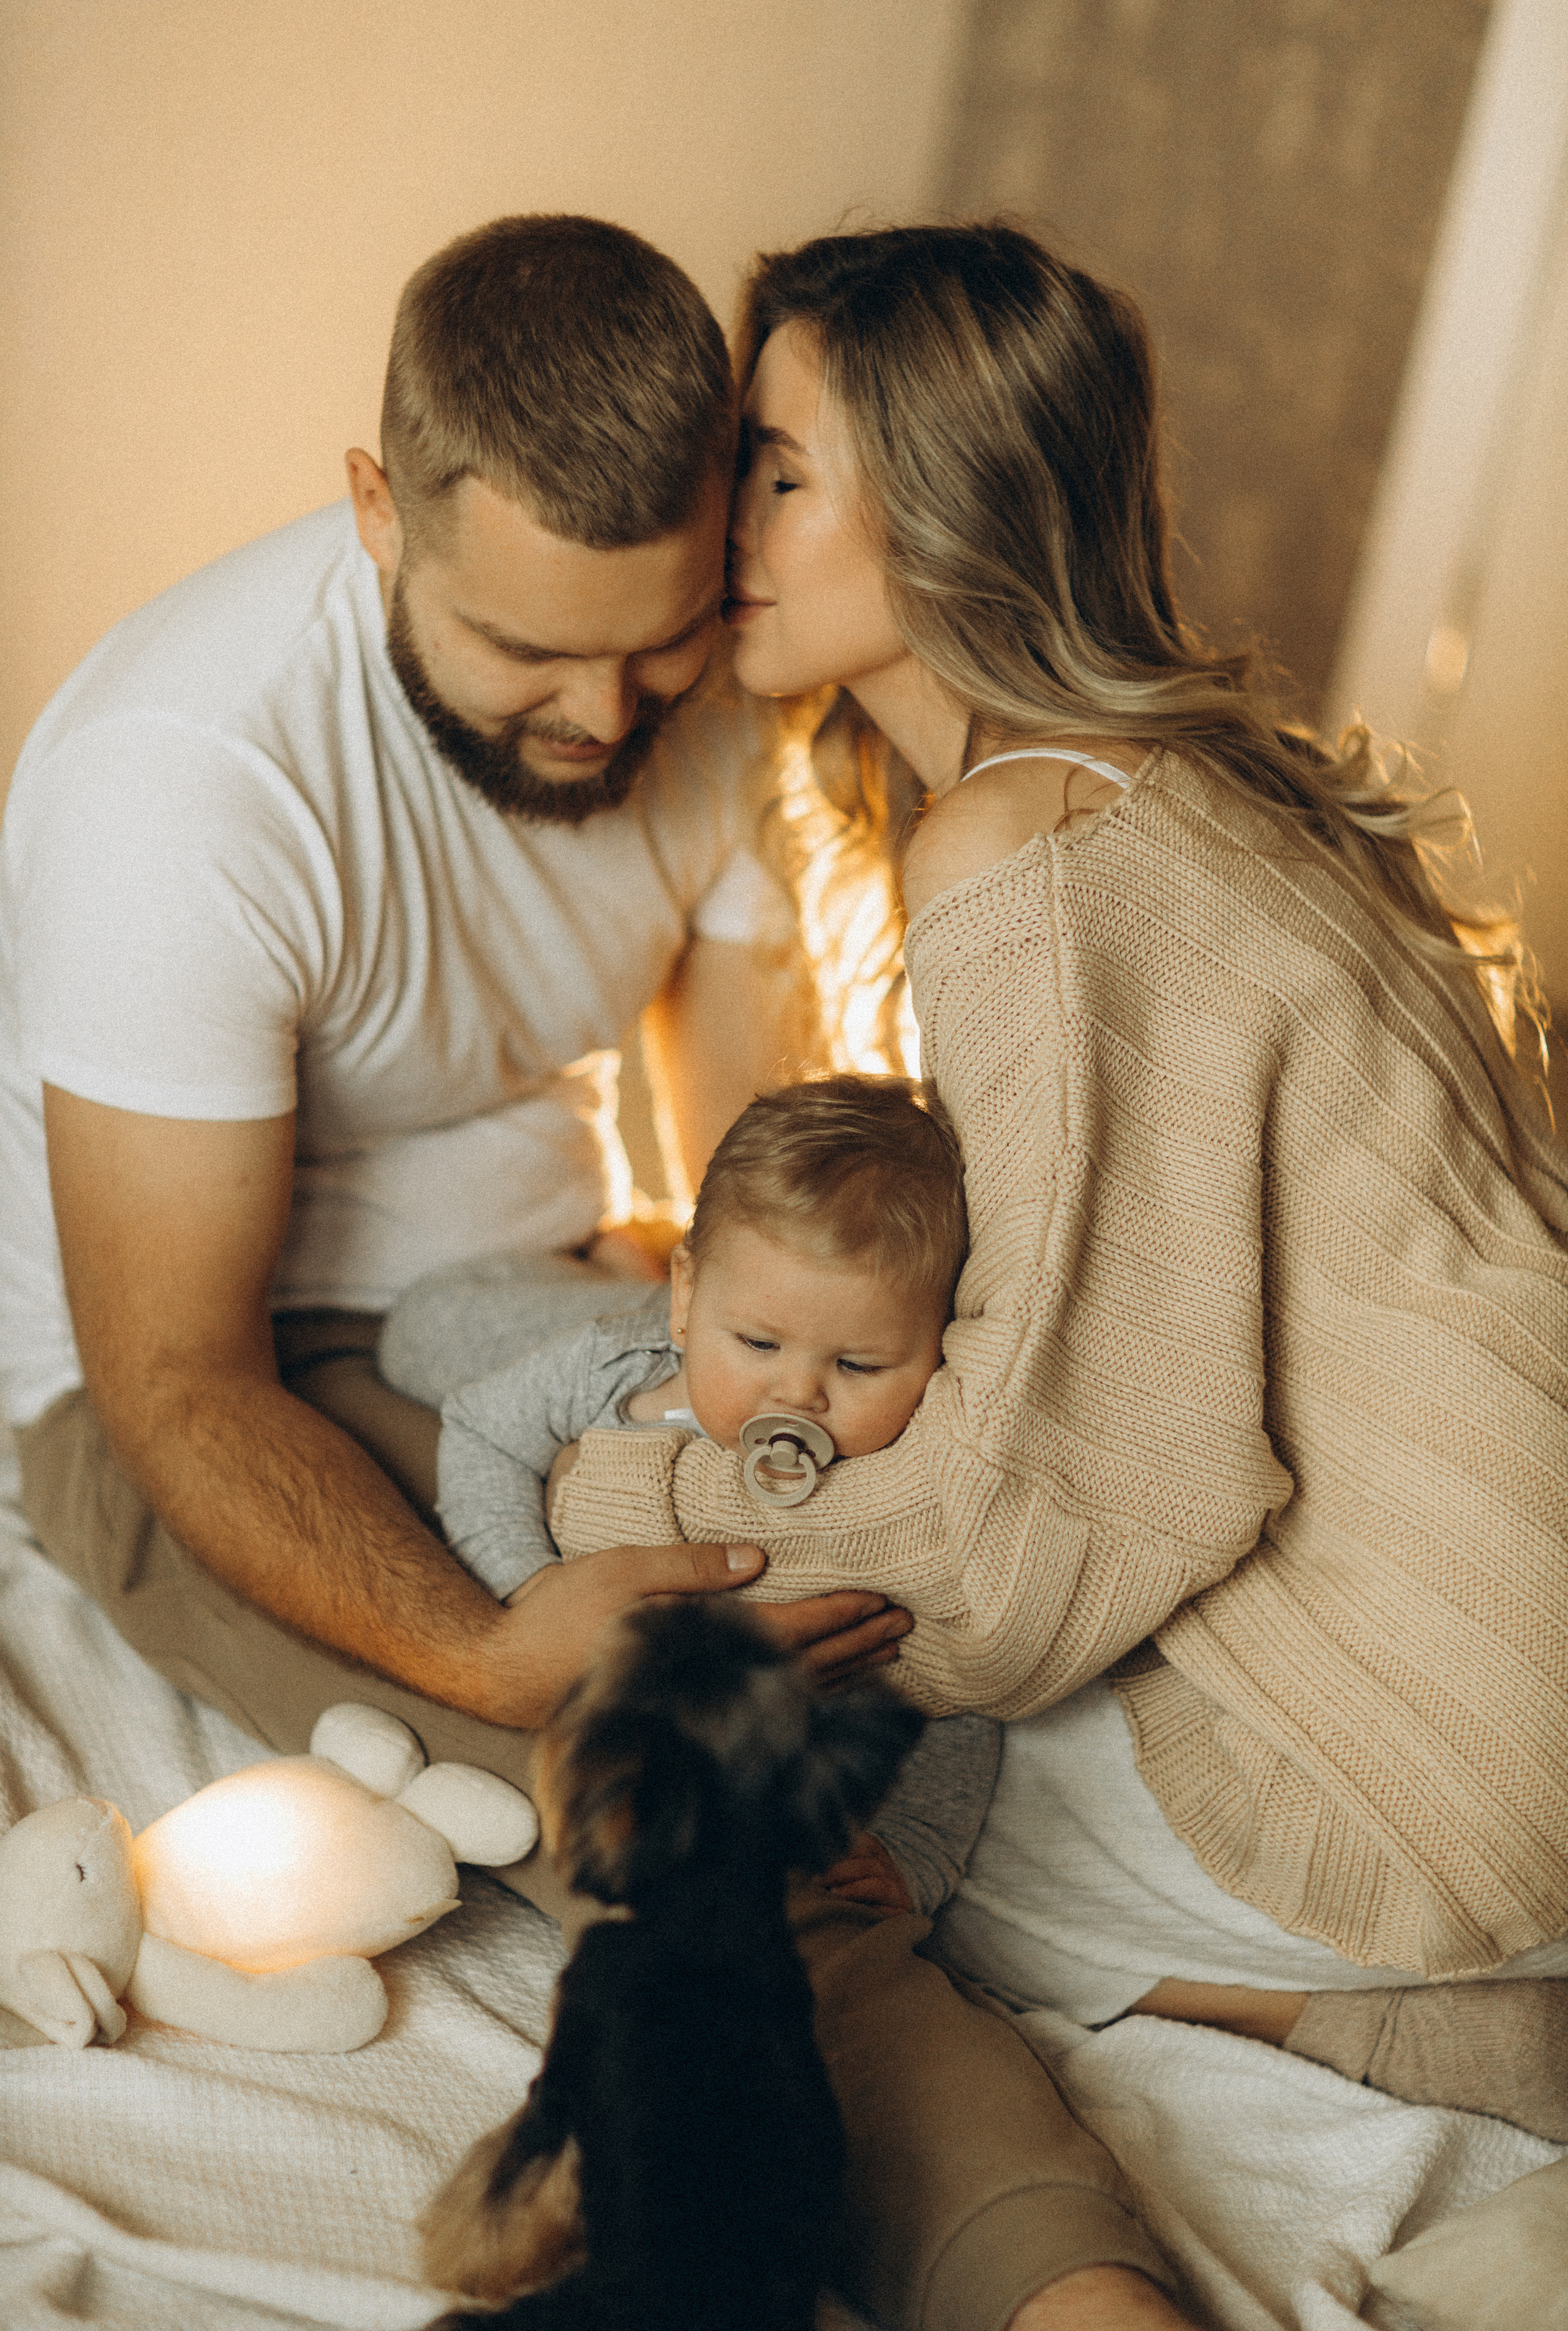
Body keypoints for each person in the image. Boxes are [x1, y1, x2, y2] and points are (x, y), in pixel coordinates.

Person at [1, 214, 1184, 2331]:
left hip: (556, 1304)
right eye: (526, 656)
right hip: (191, 1384)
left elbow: (738, 1145)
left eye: (651, 651)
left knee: (913, 1657)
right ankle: (1065, 2294)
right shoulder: (180, 793)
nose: (602, 714)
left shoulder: (703, 687)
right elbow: (175, 1380)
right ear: (380, 507)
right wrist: (483, 1651)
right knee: (716, 1845)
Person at [552, 220, 1568, 2329]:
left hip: (1439, 1742)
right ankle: (1473, 2013)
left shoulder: (1023, 848)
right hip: (1517, 1656)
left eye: (776, 466)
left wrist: (629, 1489)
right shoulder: (1191, 793)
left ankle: (1381, 2003)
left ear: (935, 500)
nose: (713, 518)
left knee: (810, 1844)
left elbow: (1081, 1510)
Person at [415, 1073, 1000, 1921]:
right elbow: (479, 1428)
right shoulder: (620, 1371)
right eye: (759, 1344)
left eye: (859, 1366)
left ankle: (628, 1264)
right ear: (691, 1298)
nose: (796, 1393)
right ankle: (614, 1262)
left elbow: (963, 1685)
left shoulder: (911, 1492)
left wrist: (917, 1850)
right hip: (582, 1322)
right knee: (422, 1333)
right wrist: (531, 1583)